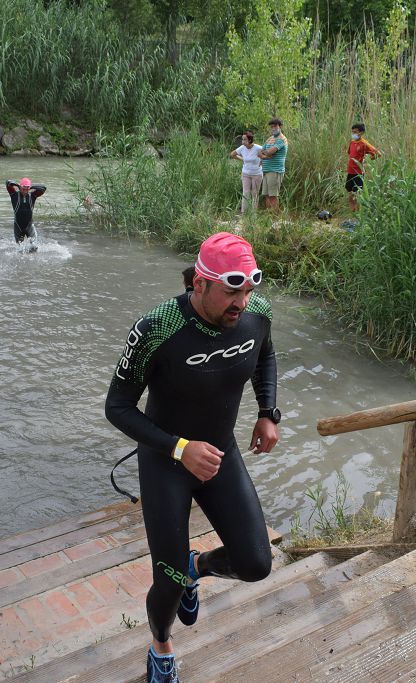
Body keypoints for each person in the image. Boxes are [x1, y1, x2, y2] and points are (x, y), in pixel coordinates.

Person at [105, 232, 281, 683]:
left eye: (248, 289)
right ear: (199, 284)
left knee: (256, 564)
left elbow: (264, 356)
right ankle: (161, 648)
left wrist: (267, 412)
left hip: (221, 454)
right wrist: (180, 449)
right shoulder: (157, 327)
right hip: (168, 462)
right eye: (231, 291)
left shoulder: (255, 313)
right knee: (165, 582)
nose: (241, 302)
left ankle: (196, 566)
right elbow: (118, 407)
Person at [346, 122, 381, 212]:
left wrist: (366, 161)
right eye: (352, 132)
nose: (353, 134)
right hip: (350, 172)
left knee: (356, 194)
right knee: (350, 193)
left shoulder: (364, 143)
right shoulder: (352, 142)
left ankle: (358, 215)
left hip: (358, 173)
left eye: (355, 132)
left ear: (361, 133)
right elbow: (350, 154)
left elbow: (378, 154)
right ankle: (352, 213)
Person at [5, 177, 47, 249]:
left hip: (29, 225)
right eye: (23, 188)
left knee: (34, 247)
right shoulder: (14, 195)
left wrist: (30, 188)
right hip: (18, 226)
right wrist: (19, 186)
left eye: (27, 188)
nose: (25, 190)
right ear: (20, 187)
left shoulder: (33, 196)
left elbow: (43, 188)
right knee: (19, 249)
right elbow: (8, 183)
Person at [229, 131, 263, 214]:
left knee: (255, 193)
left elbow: (266, 155)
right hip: (246, 173)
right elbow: (232, 154)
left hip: (257, 174)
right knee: (245, 192)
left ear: (250, 140)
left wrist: (262, 161)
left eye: (244, 139)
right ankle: (244, 213)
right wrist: (242, 159)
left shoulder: (258, 148)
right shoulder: (242, 148)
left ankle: (253, 213)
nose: (242, 141)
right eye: (242, 139)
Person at [259, 118, 288, 211]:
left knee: (273, 196)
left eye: (275, 126)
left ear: (280, 127)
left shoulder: (281, 139)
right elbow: (260, 152)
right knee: (267, 195)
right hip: (266, 170)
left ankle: (275, 217)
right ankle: (269, 216)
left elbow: (270, 152)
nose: (273, 128)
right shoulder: (270, 139)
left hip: (275, 171)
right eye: (271, 127)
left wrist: (266, 153)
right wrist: (265, 155)